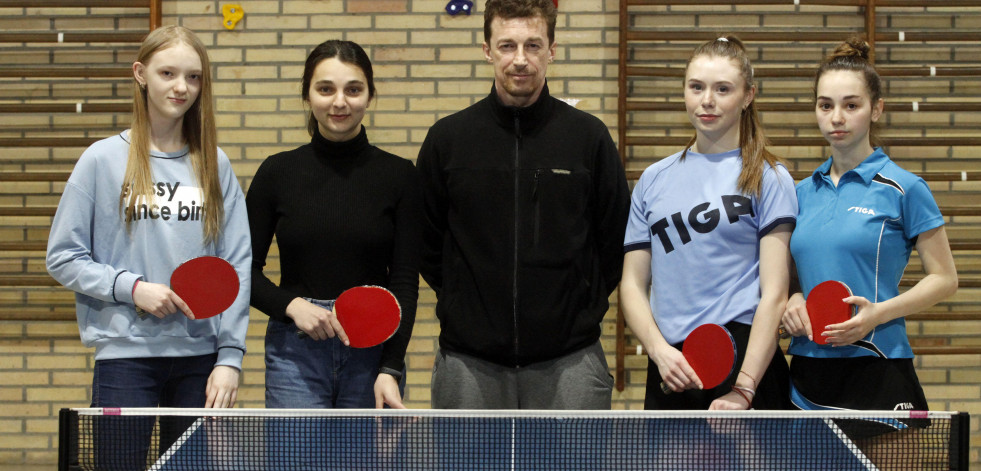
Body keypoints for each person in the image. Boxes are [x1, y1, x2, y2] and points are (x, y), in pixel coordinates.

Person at [45, 25, 250, 464]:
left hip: (201, 360)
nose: (182, 87)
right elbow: (63, 256)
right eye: (168, 73)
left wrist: (230, 357)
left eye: (193, 77)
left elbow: (236, 263)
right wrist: (132, 288)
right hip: (126, 358)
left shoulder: (215, 163)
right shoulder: (101, 160)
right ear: (141, 74)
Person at [417, 0, 630, 410]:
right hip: (468, 362)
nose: (520, 60)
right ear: (487, 49)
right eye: (507, 45)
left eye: (533, 45)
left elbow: (615, 237)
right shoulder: (448, 139)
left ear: (552, 49)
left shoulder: (588, 138)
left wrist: (581, 307)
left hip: (571, 359)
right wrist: (463, 303)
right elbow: (427, 241)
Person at [781, 38, 957, 427]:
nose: (836, 117)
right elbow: (793, 275)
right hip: (809, 369)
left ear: (876, 109)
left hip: (879, 362)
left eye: (851, 105)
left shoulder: (904, 188)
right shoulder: (800, 193)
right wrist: (792, 298)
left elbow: (945, 279)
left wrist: (878, 313)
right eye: (825, 105)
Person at [619, 36, 796, 411]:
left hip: (746, 363)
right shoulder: (653, 179)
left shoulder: (770, 177)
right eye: (696, 87)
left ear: (748, 95)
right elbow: (632, 285)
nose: (707, 100)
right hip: (672, 368)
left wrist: (744, 389)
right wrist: (658, 352)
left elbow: (775, 294)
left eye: (723, 89)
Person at [247, 40, 421, 409]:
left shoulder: (399, 175)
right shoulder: (277, 172)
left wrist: (390, 367)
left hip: (372, 353)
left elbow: (403, 282)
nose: (339, 102)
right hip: (295, 351)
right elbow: (243, 271)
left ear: (370, 95)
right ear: (308, 94)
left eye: (353, 89)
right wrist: (293, 306)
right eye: (325, 89)